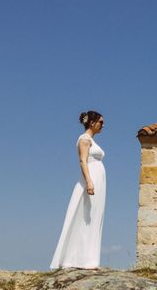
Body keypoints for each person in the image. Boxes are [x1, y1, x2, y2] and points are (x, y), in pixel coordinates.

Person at [50, 111, 106, 269]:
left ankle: (88, 258)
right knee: (84, 216)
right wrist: (89, 181)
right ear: (92, 123)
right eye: (101, 122)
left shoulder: (92, 141)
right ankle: (76, 259)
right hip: (91, 180)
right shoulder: (84, 139)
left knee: (94, 216)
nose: (103, 125)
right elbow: (82, 160)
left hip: (98, 182)